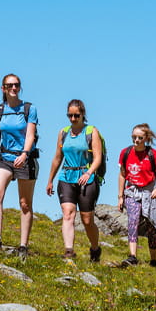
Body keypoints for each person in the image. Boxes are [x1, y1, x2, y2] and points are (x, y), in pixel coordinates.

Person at [0, 73, 38, 259]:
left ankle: (23, 245)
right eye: (10, 85)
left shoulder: (29, 109)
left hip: (25, 158)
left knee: (24, 203)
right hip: (4, 157)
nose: (14, 88)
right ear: (3, 89)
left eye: (17, 85)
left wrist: (24, 153)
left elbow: (30, 135)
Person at [45, 99, 103, 261]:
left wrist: (89, 172)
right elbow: (57, 158)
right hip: (66, 177)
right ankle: (69, 251)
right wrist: (50, 180)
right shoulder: (63, 133)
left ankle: (95, 249)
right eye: (69, 115)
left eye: (76, 115)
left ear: (83, 114)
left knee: (86, 220)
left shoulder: (91, 132)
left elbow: (97, 158)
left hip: (87, 179)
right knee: (68, 214)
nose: (72, 119)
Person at [116, 123, 156, 267]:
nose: (136, 140)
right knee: (132, 221)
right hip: (132, 192)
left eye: (139, 137)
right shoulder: (125, 153)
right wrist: (120, 196)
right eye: (134, 137)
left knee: (151, 226)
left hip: (150, 192)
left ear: (146, 138)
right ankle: (132, 257)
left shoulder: (153, 154)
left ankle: (153, 260)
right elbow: (122, 174)